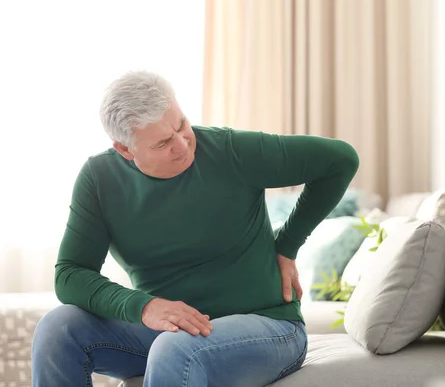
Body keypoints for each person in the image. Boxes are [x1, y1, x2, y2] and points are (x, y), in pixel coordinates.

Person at [31, 70, 359, 387]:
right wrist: (143, 306)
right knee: (57, 329)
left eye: (182, 125)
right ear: (125, 150)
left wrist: (287, 244)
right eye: (162, 143)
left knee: (176, 350)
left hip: (268, 326)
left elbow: (339, 160)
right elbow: (70, 273)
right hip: (170, 333)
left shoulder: (230, 151)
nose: (183, 144)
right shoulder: (100, 179)